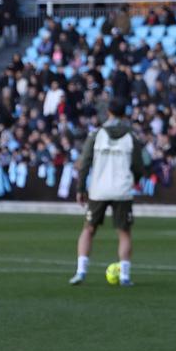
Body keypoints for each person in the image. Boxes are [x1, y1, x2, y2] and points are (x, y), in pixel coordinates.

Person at [69, 98, 145, 286]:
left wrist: (80, 189)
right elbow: (139, 165)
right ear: (124, 114)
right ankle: (125, 276)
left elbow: (85, 162)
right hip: (122, 190)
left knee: (88, 229)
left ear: (109, 111)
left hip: (99, 189)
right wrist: (133, 180)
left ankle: (81, 272)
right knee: (124, 232)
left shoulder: (96, 134)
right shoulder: (131, 136)